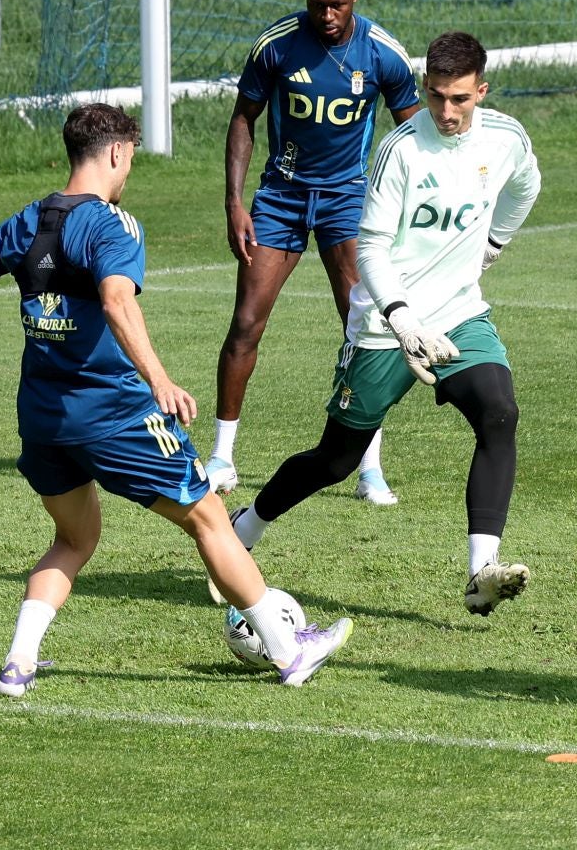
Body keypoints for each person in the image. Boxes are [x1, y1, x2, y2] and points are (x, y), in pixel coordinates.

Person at [0, 103, 352, 693]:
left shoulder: (25, 221)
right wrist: (160, 381)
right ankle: (289, 652)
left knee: (74, 539)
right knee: (208, 519)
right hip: (113, 413)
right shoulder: (112, 225)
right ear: (118, 153)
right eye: (131, 159)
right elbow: (118, 300)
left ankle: (18, 664)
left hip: (43, 418)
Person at [226, 31, 540, 616]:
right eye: (437, 96)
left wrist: (496, 239)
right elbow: (368, 247)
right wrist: (400, 320)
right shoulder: (401, 150)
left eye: (461, 99)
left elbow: (526, 184)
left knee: (499, 412)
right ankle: (247, 523)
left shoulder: (506, 138)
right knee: (336, 460)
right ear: (426, 88)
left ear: (482, 91)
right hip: (384, 324)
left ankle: (480, 573)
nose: (447, 111)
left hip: (458, 313)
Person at [214, 0, 420, 503]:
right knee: (246, 323)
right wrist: (236, 203)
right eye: (317, 5)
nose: (326, 15)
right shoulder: (276, 45)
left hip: (349, 202)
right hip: (279, 198)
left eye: (336, 5)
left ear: (354, 0)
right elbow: (244, 118)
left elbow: (414, 134)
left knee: (364, 330)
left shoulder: (383, 54)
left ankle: (369, 469)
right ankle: (221, 458)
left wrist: (404, 205)